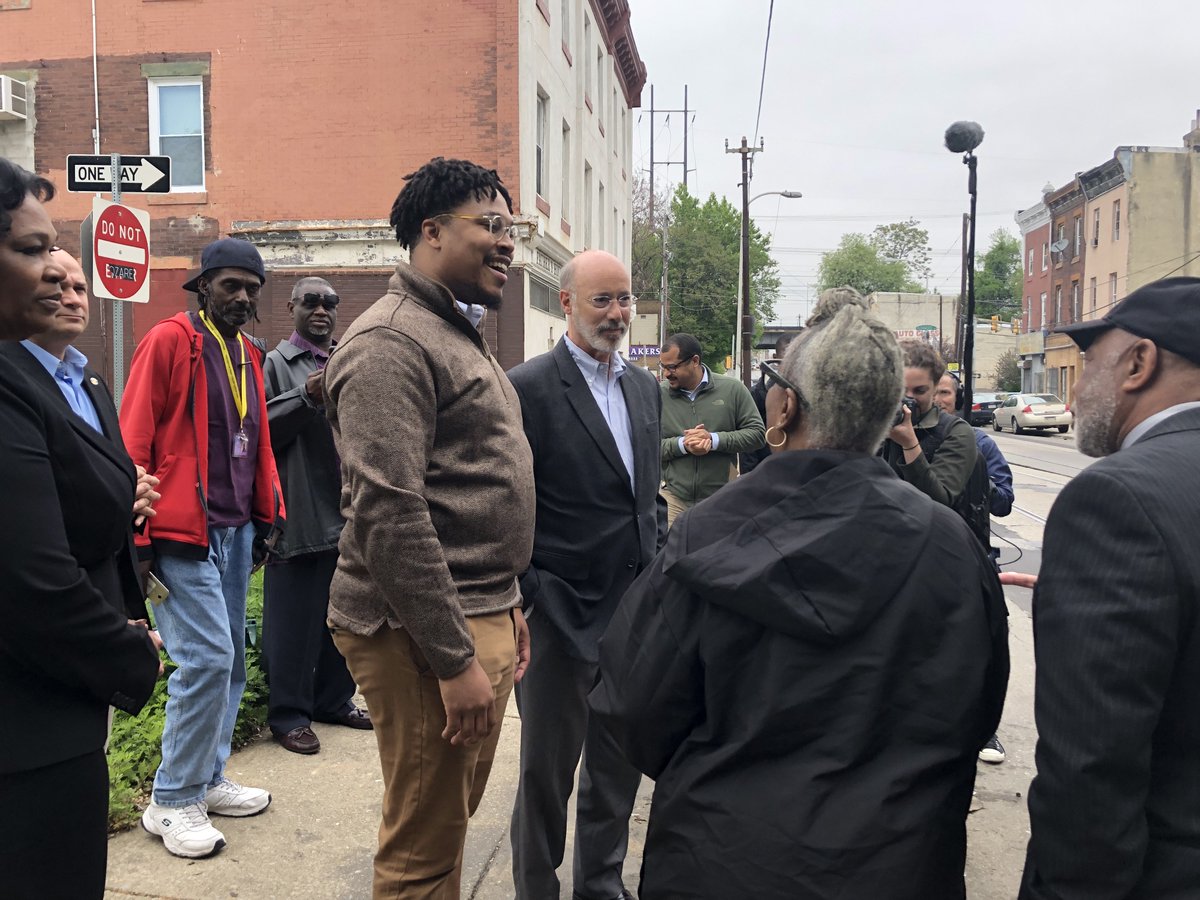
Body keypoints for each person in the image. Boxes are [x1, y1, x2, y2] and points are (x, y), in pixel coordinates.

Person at [591, 287, 1009, 899]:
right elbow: (978, 708)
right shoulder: (950, 544)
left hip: (724, 858)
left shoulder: (707, 532)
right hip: (897, 863)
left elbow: (631, 705)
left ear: (784, 407)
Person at [324, 157, 535, 899]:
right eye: (492, 224)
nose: (508, 242)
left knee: (446, 826)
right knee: (422, 846)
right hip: (419, 631)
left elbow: (466, 484)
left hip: (477, 607)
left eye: (512, 227)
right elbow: (388, 514)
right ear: (432, 230)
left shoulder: (454, 330)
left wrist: (506, 601)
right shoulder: (391, 342)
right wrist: (452, 658)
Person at [0, 158, 161, 899]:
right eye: (31, 250)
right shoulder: (12, 383)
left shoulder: (87, 380)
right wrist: (131, 654)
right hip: (27, 729)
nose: (56, 277)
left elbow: (88, 487)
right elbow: (31, 581)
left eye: (65, 266)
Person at [1011, 276, 1200, 900]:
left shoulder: (1116, 498)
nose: (1076, 390)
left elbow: (1091, 768)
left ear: (1139, 363)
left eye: (1089, 361)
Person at [120, 237, 285, 859]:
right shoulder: (169, 340)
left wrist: (269, 513)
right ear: (204, 286)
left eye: (251, 288)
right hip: (178, 530)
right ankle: (171, 798)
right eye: (230, 285)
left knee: (231, 661)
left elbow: (257, 438)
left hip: (235, 528)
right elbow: (133, 438)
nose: (241, 296)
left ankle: (208, 778)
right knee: (207, 659)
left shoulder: (247, 352)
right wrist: (135, 534)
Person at [506, 250, 662, 900]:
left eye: (625, 299)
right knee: (546, 775)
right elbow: (508, 505)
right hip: (557, 618)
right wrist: (529, 596)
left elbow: (645, 498)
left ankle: (599, 885)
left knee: (616, 769)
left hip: (632, 617)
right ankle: (535, 889)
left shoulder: (644, 388)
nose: (617, 313)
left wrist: (658, 580)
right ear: (567, 302)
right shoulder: (527, 388)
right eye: (603, 300)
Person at [261, 277, 370, 755]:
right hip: (300, 513)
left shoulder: (346, 359)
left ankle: (333, 699)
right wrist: (306, 396)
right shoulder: (274, 364)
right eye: (311, 301)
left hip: (347, 513)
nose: (321, 309)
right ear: (292, 307)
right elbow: (259, 430)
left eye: (330, 301)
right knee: (293, 623)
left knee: (341, 617)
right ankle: (288, 716)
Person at [932, 368, 1014, 765]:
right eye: (931, 393)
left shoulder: (979, 443)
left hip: (970, 552)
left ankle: (984, 728)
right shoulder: (903, 440)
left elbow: (1004, 502)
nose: (938, 401)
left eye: (945, 393)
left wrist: (973, 472)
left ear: (957, 398)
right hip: (924, 554)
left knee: (975, 645)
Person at [658, 332, 765, 526]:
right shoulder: (658, 395)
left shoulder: (732, 390)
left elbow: (757, 434)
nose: (666, 374)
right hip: (673, 498)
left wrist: (713, 440)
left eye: (672, 367)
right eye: (663, 367)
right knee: (669, 546)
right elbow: (646, 447)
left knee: (717, 546)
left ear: (695, 361)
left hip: (721, 498)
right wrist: (683, 445)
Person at [880, 339, 979, 508]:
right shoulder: (875, 426)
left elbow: (939, 502)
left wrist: (909, 444)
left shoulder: (956, 431)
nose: (908, 398)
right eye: (900, 390)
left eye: (919, 391)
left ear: (934, 389)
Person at [740, 332, 795, 475]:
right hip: (765, 472)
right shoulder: (757, 394)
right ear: (775, 358)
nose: (793, 362)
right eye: (787, 356)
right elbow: (749, 440)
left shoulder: (814, 393)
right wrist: (750, 478)